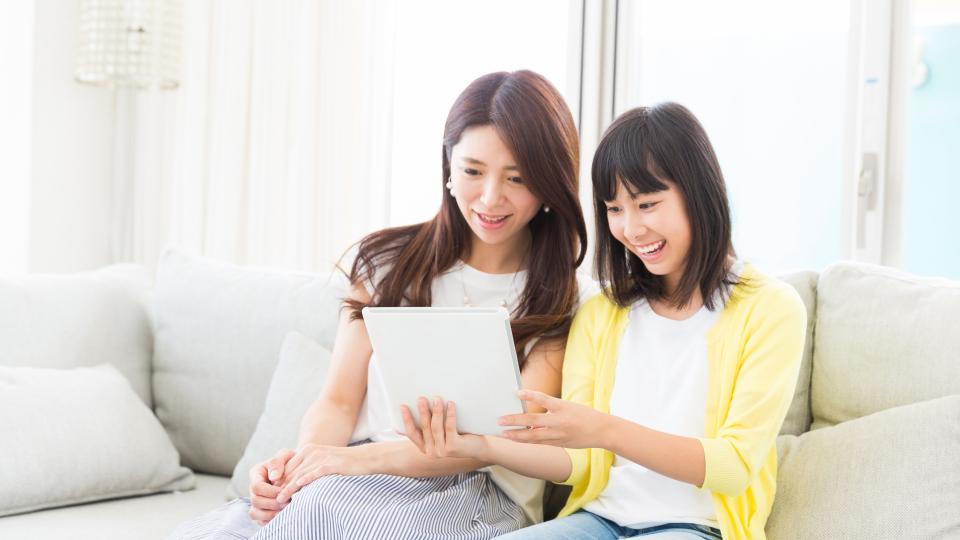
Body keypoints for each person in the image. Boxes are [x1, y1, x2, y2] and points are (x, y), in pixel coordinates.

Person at [167, 70, 590, 540]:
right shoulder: (388, 262)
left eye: (518, 178)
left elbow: (501, 442)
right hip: (356, 474)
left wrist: (349, 462)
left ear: (551, 184)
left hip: (478, 489)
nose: (491, 198)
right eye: (473, 171)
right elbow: (338, 401)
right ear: (448, 165)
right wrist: (302, 468)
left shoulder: (560, 295)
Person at [403, 103, 806, 540]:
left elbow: (734, 467)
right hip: (597, 522)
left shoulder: (770, 308)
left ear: (699, 193)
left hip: (697, 527)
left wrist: (605, 430)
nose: (631, 229)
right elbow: (580, 462)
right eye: (614, 209)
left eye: (647, 204)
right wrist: (479, 447)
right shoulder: (602, 311)